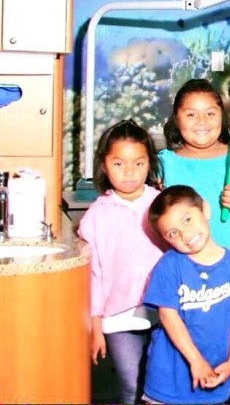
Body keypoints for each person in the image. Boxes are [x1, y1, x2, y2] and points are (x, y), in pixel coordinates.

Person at [142, 185, 230, 404]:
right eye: (172, 233)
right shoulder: (169, 265)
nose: (185, 235)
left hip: (215, 370)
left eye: (187, 220)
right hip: (169, 376)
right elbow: (168, 316)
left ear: (205, 210)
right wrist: (195, 361)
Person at [78, 119, 164, 404]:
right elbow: (94, 276)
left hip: (164, 314)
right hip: (117, 319)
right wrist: (95, 326)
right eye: (119, 164)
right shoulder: (95, 217)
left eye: (138, 164)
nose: (129, 172)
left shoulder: (164, 205)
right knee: (130, 386)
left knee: (161, 388)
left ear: (149, 164)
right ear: (104, 164)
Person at [160, 78, 230, 260]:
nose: (202, 122)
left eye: (210, 114)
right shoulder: (166, 164)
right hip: (181, 273)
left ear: (222, 116)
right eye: (191, 115)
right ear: (176, 117)